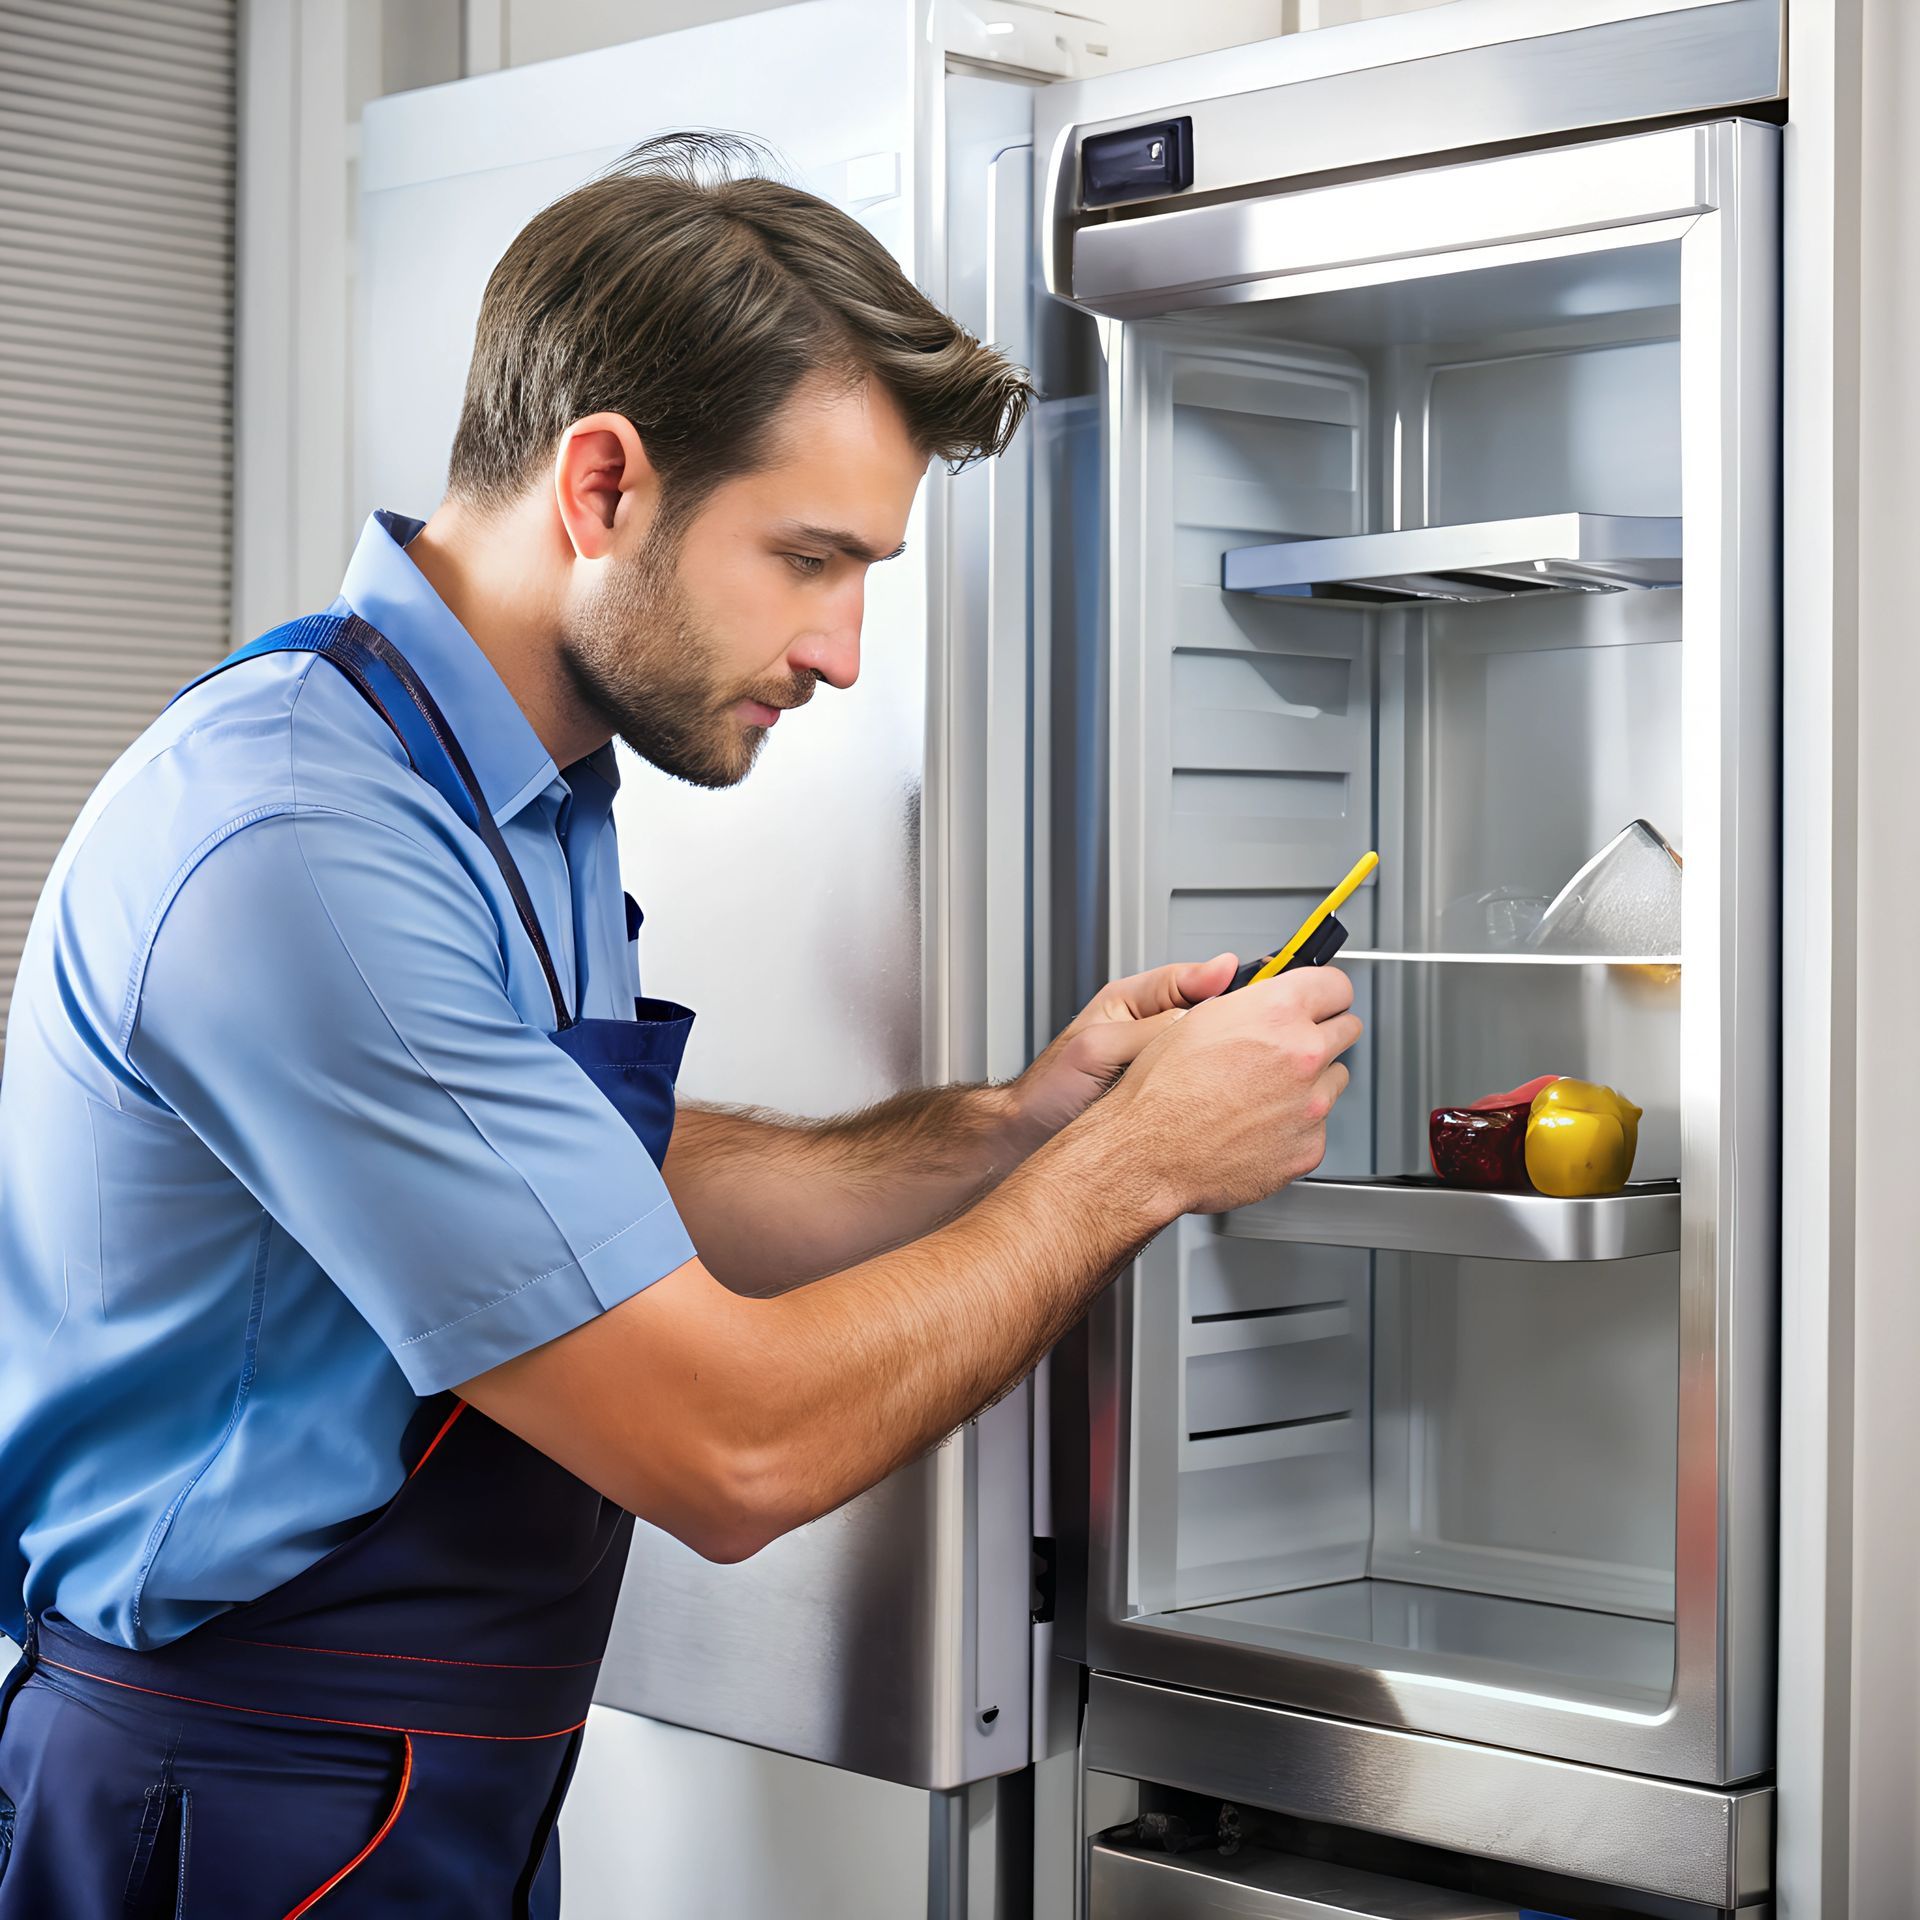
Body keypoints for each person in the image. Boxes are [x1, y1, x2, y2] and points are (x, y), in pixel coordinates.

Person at [0, 134, 1358, 1916]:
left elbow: (575, 1196)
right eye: (808, 558)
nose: (847, 648)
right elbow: (733, 1449)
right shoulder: (304, 845)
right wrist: (1124, 1173)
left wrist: (1024, 1122)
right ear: (605, 483)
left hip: (424, 1786)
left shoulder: (513, 790)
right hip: (244, 1804)